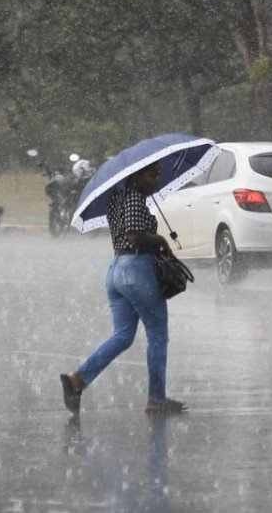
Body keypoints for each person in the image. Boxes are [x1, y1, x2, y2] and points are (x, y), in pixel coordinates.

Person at [60, 162, 186, 416]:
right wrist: (161, 240)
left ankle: (78, 380)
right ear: (137, 176)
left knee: (123, 335)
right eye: (152, 175)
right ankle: (156, 399)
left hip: (117, 270)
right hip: (136, 269)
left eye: (157, 175)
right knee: (158, 334)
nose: (156, 180)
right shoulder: (133, 199)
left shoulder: (116, 199)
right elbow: (134, 236)